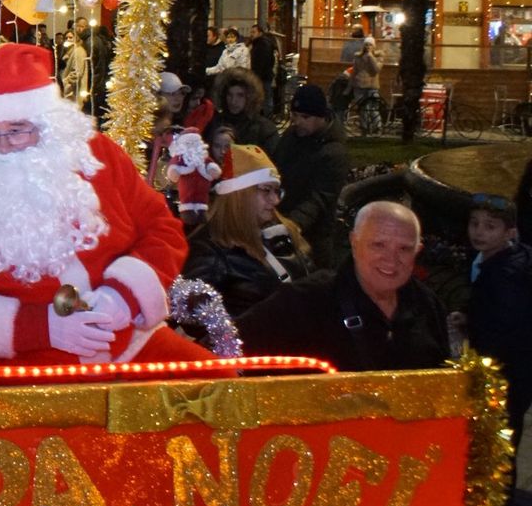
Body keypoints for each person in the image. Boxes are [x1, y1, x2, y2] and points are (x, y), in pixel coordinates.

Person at [0, 44, 211, 368]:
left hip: (130, 343)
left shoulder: (98, 157)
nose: (2, 146)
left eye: (16, 130)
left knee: (226, 398)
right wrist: (41, 327)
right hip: (20, 360)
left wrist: (123, 295)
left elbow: (162, 230)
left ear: (47, 128)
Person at [236, 201, 448, 371]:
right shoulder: (305, 301)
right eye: (378, 245)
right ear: (354, 243)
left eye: (404, 249)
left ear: (417, 251)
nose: (391, 260)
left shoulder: (427, 306)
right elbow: (229, 348)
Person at [180, 145, 312, 317]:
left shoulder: (283, 234)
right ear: (239, 195)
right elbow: (191, 317)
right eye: (266, 190)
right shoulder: (209, 250)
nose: (275, 200)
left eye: (277, 191)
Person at [459, 194, 532, 449]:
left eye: (490, 226)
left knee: (499, 444)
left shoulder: (505, 277)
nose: (478, 232)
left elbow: (500, 329)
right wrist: (469, 314)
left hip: (507, 375)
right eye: (474, 223)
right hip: (513, 371)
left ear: (510, 232)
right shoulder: (495, 258)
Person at [268, 84, 350, 269]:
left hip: (314, 236)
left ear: (321, 117)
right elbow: (275, 168)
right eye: (295, 116)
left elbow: (320, 198)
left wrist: (291, 225)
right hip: (283, 221)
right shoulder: (292, 135)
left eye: (305, 117)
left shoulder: (334, 153)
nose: (298, 121)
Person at [205, 68, 278, 150]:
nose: (233, 101)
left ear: (251, 97)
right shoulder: (214, 123)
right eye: (229, 95)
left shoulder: (264, 129)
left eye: (240, 95)